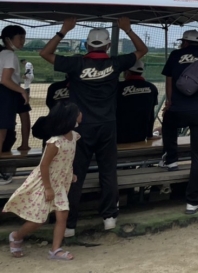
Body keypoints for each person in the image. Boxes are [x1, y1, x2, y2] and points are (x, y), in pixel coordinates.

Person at [39, 17, 147, 236]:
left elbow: (45, 53)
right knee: (108, 171)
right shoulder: (115, 63)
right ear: (108, 45)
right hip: (107, 124)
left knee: (75, 173)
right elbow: (142, 50)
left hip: (80, 127)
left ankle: (69, 224)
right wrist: (128, 30)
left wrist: (63, 30)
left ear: (87, 45)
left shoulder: (76, 64)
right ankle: (109, 217)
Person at [3, 102, 82, 261]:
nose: (81, 114)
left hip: (60, 183)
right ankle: (16, 236)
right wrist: (48, 188)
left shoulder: (74, 136)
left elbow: (67, 159)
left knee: (63, 215)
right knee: (39, 219)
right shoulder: (55, 142)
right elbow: (44, 165)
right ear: (70, 118)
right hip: (45, 183)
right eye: (78, 112)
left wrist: (69, 173)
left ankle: (55, 250)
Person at [160, 29, 198, 215]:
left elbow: (169, 82)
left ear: (185, 43)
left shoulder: (175, 55)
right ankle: (193, 201)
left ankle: (171, 160)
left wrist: (170, 102)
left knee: (168, 121)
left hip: (179, 109)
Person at [1, 25, 30, 173]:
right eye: (20, 38)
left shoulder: (3, 53)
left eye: (24, 38)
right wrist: (22, 91)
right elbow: (5, 79)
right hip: (6, 92)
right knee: (3, 129)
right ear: (8, 39)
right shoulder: (9, 55)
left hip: (8, 91)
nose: (23, 41)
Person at [116, 60, 158, 144]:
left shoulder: (118, 87)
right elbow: (151, 113)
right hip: (141, 135)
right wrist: (149, 135)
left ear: (127, 72)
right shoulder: (152, 88)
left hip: (119, 135)